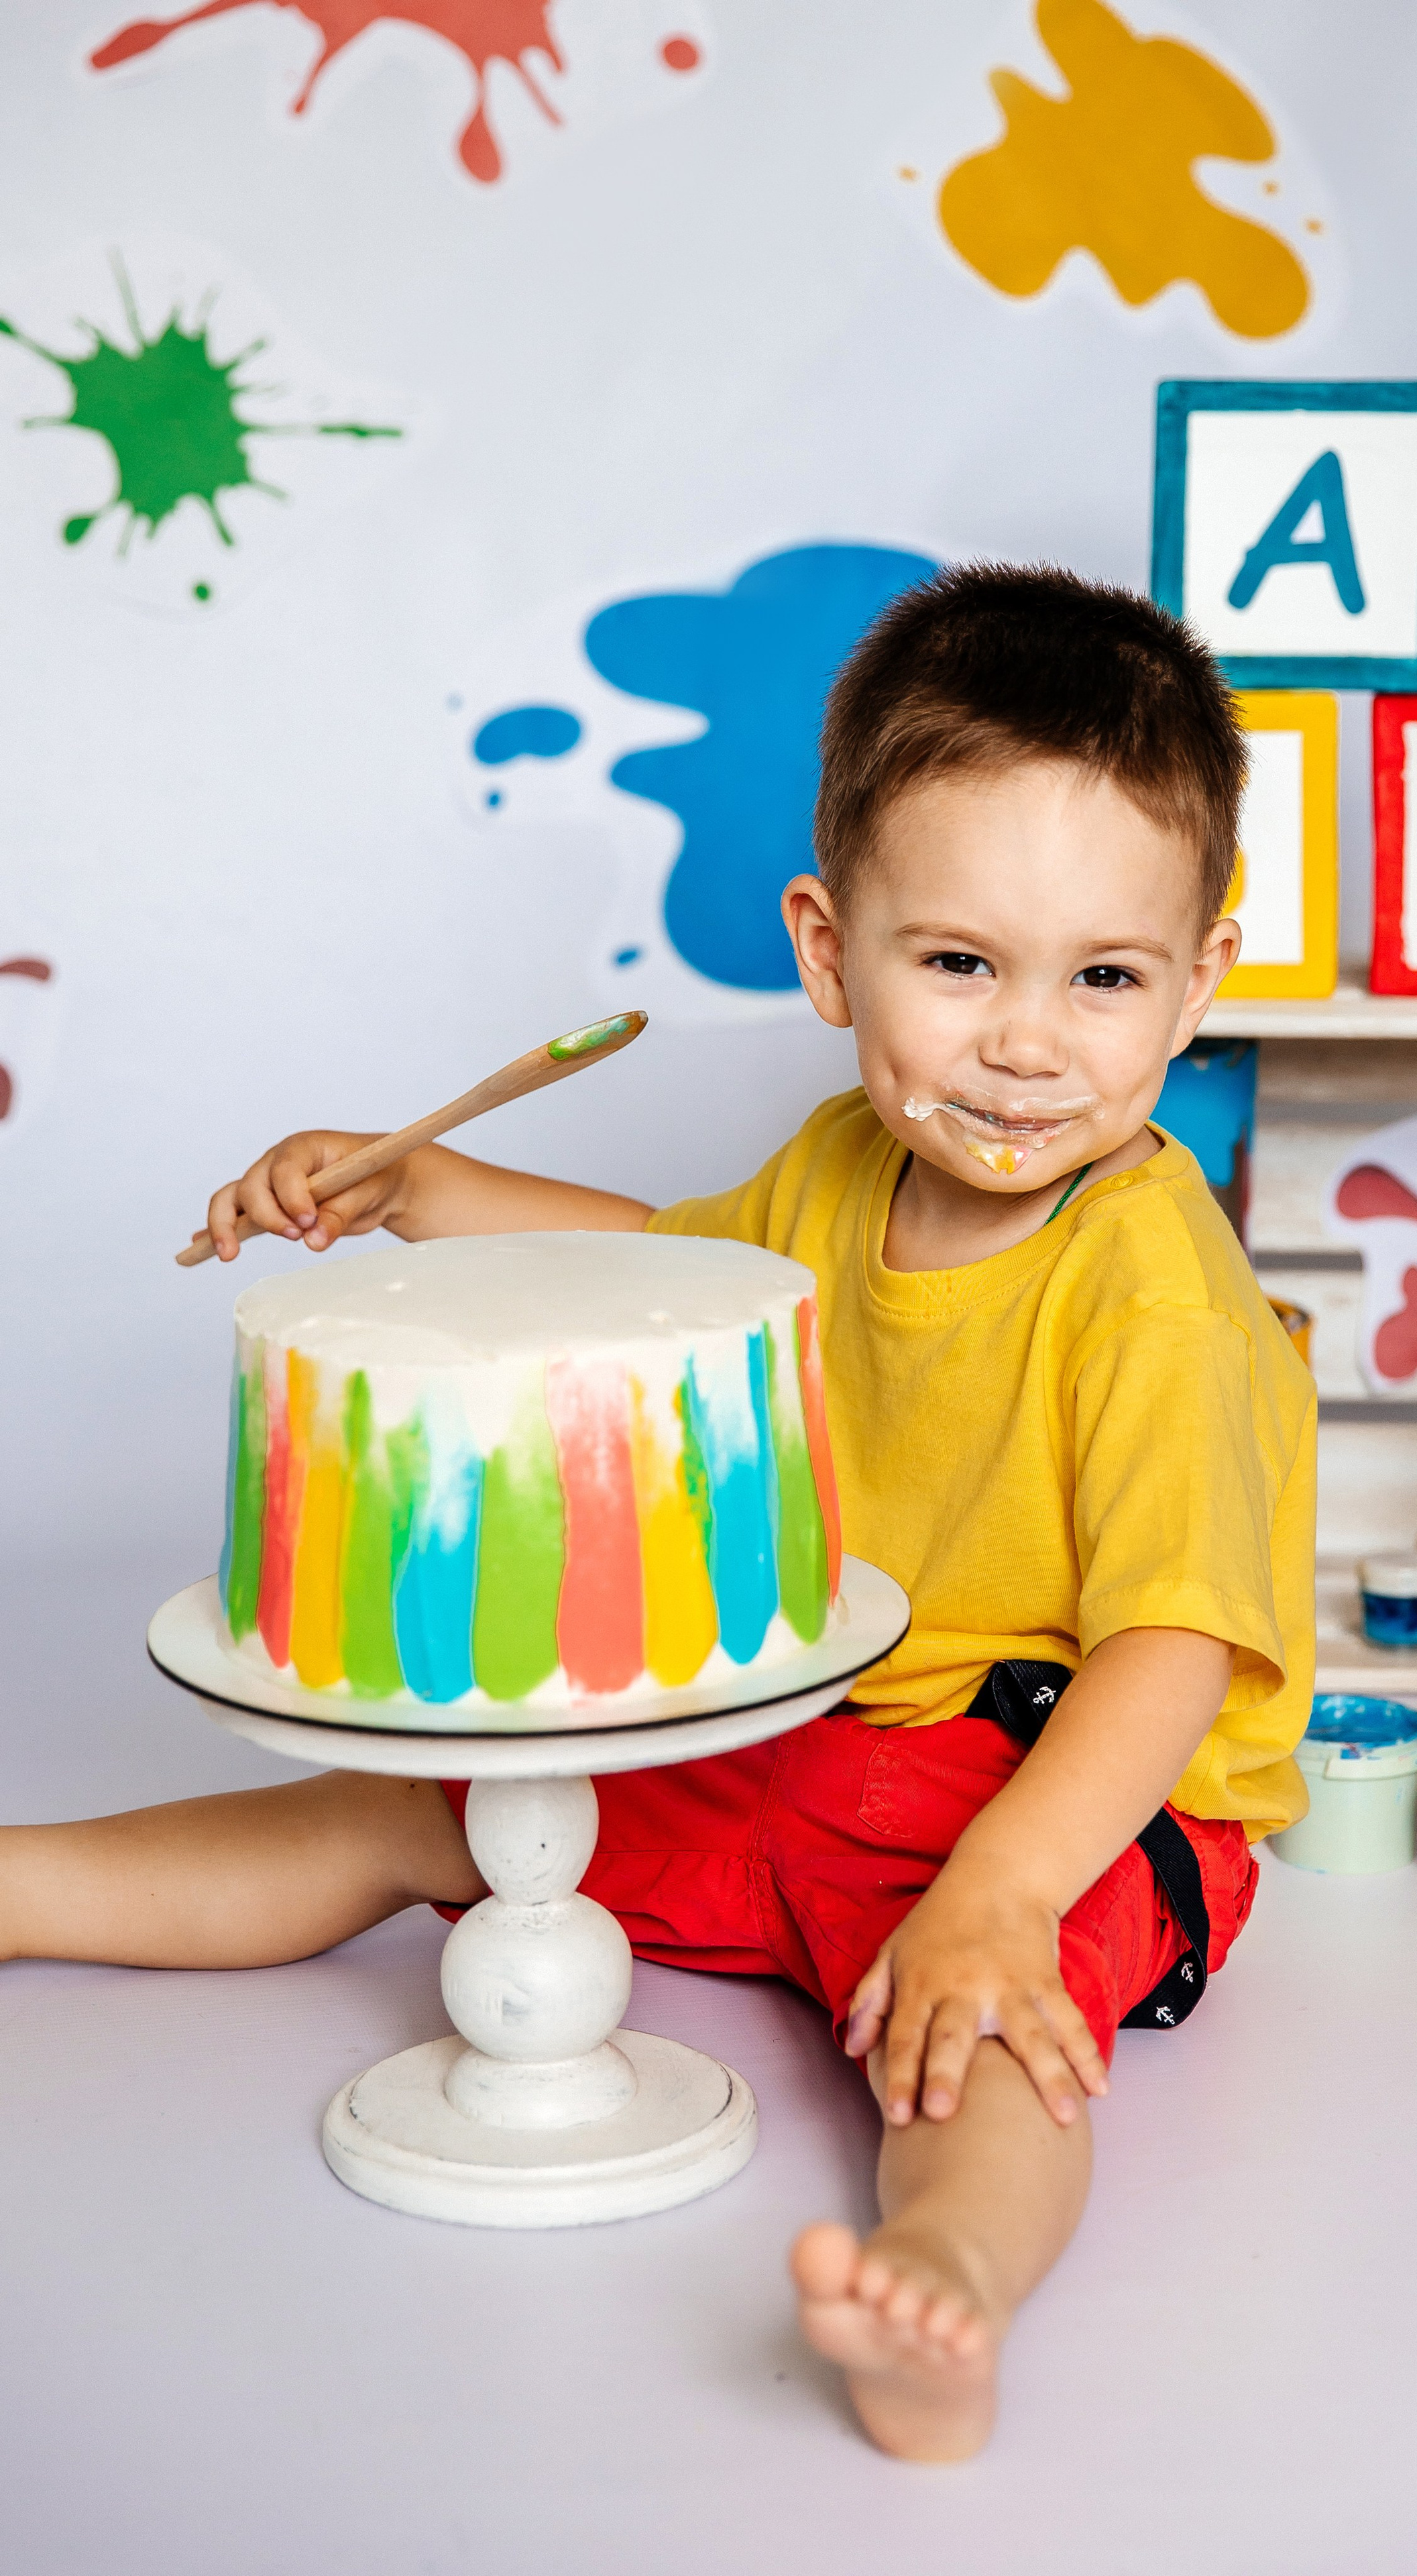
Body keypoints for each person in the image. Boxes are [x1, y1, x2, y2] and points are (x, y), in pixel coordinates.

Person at [0, 564, 1314, 2463]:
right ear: (825, 946)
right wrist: (426, 1182)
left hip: (1051, 1774)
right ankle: (30, 1880)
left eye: (1104, 979)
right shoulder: (845, 1163)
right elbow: (672, 1269)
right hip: (800, 1729)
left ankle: (945, 2287)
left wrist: (1002, 1898)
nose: (1029, 1045)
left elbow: (1175, 1651)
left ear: (1198, 982)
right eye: (959, 965)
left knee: (969, 2029)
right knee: (414, 1806)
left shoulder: (1155, 1294)